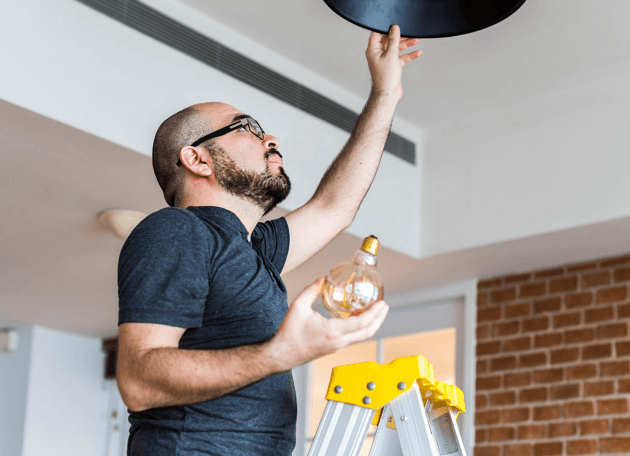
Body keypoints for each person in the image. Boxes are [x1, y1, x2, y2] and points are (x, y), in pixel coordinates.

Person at [115, 25, 423, 455]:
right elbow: (138, 381)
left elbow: (336, 205)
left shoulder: (252, 249)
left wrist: (385, 94)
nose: (271, 139)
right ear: (197, 158)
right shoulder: (177, 231)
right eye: (247, 127)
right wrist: (280, 353)